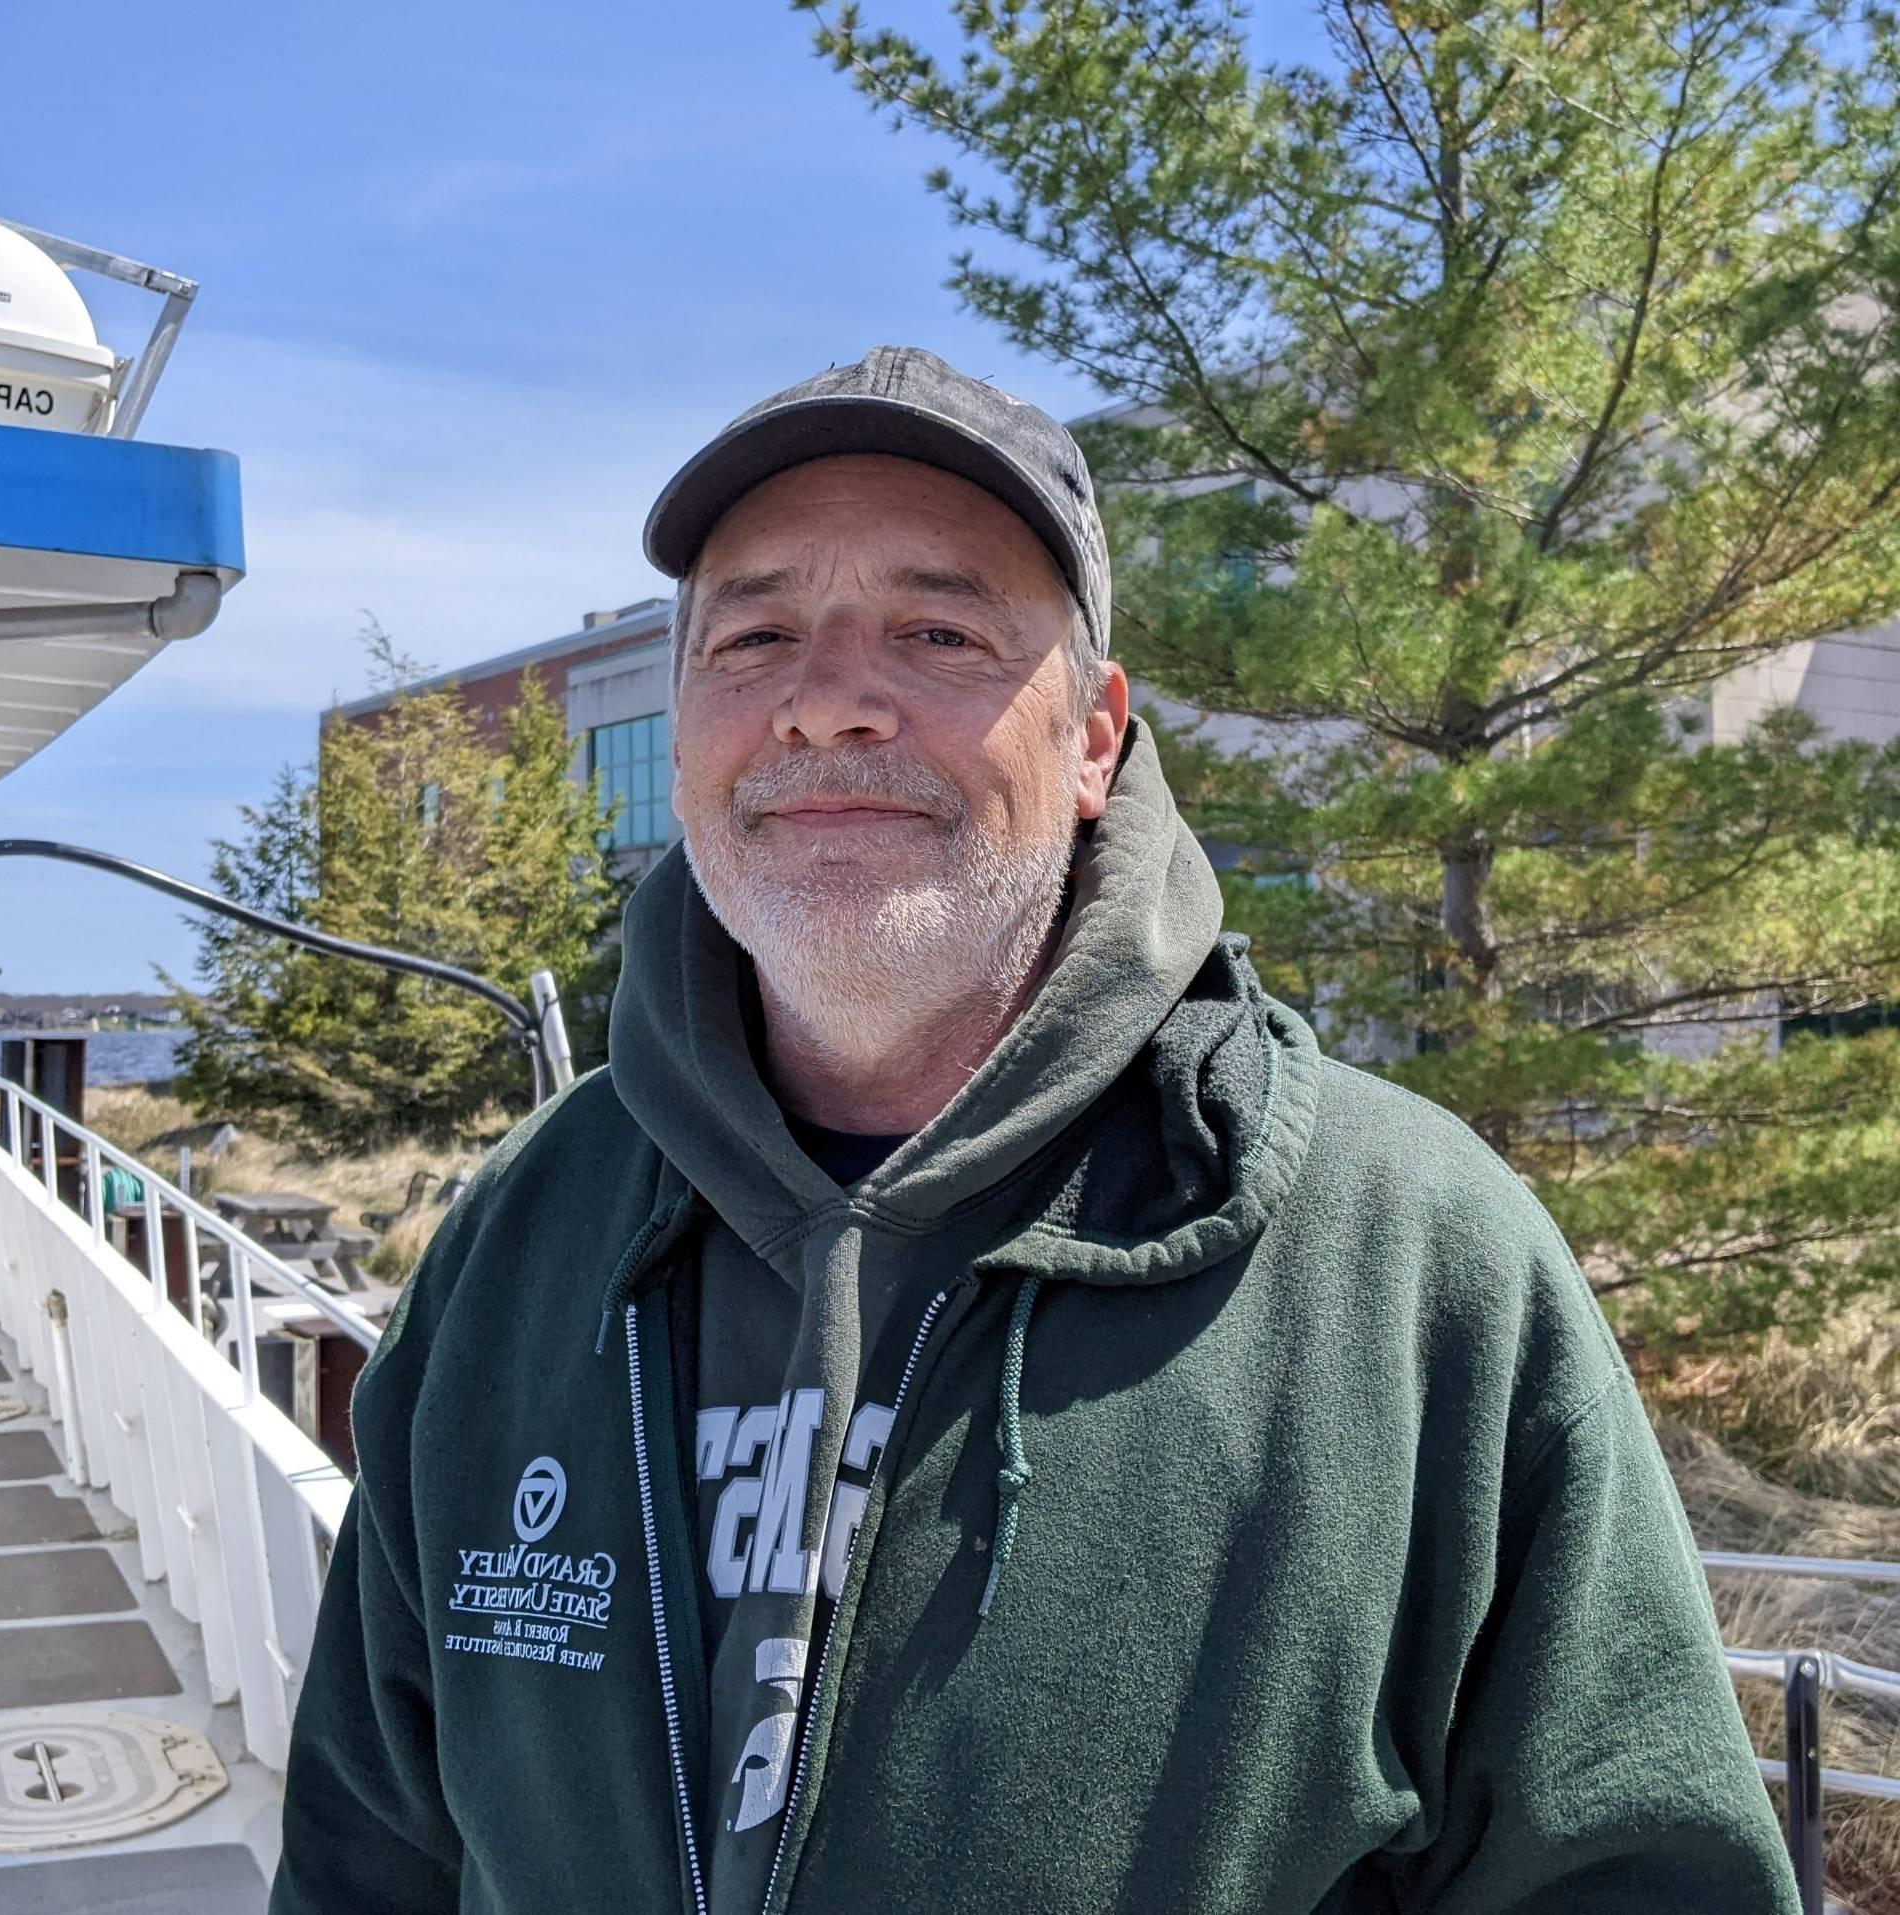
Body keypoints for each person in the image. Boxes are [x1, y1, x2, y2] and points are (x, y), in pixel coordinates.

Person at [270, 347, 1798, 1914]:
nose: (829, 701)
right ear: (684, 726)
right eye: (757, 636)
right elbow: (365, 1861)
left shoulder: (1412, 1265)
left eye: (938, 632)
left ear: (1092, 740)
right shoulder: (521, 1239)